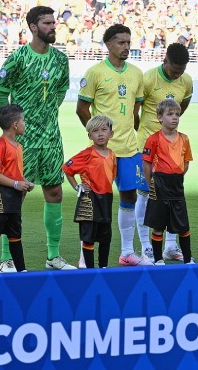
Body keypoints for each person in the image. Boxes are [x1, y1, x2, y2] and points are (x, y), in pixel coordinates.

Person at [0, 6, 74, 271]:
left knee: (54, 192)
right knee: (14, 195)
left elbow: (61, 91)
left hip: (51, 138)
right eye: (47, 23)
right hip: (23, 142)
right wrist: (11, 129)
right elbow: (0, 94)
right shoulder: (17, 58)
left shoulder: (61, 60)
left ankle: (53, 256)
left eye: (54, 23)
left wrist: (46, 115)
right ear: (32, 26)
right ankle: (6, 257)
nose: (53, 27)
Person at [77, 24, 147, 266]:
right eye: (121, 42)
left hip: (129, 148)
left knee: (129, 196)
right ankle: (84, 253)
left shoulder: (137, 73)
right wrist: (97, 136)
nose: (126, 46)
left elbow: (135, 110)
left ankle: (127, 251)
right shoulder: (95, 73)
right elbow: (82, 109)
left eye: (128, 42)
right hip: (102, 152)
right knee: (95, 199)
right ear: (108, 45)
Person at [139, 43, 193, 263]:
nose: (178, 74)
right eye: (174, 70)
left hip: (173, 158)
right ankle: (147, 249)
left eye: (181, 70)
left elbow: (184, 104)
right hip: (149, 146)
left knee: (176, 212)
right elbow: (137, 108)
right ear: (166, 61)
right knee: (146, 198)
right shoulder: (148, 78)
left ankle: (171, 248)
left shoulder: (186, 81)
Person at [0, 105, 34, 273]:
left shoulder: (18, 146)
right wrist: (16, 184)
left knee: (15, 235)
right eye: (23, 120)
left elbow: (14, 173)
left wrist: (24, 182)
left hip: (13, 196)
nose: (25, 123)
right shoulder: (0, 145)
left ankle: (22, 271)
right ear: (15, 125)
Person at [141, 99, 194, 265]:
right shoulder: (153, 139)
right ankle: (158, 259)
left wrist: (177, 175)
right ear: (160, 117)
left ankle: (187, 258)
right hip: (159, 184)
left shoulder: (184, 139)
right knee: (158, 225)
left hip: (177, 185)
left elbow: (186, 162)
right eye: (170, 114)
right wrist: (151, 183)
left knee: (183, 225)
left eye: (177, 114)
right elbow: (147, 163)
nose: (174, 117)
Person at [63, 115, 117, 269]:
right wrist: (77, 186)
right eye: (95, 131)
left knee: (105, 236)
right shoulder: (87, 154)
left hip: (106, 199)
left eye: (104, 130)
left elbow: (112, 176)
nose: (100, 134)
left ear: (111, 134)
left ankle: (103, 267)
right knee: (89, 236)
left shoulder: (112, 155)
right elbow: (67, 168)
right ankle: (90, 269)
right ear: (89, 136)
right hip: (90, 200)